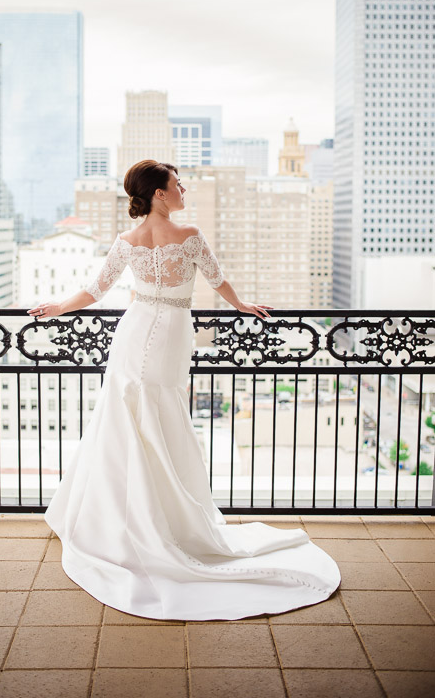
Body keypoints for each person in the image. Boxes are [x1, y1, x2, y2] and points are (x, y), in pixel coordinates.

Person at [27, 159, 341, 621]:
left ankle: (119, 521)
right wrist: (243, 305)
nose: (183, 190)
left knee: (125, 420)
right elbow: (218, 281)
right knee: (160, 418)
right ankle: (160, 521)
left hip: (135, 335)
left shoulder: (126, 241)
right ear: (158, 194)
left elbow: (95, 290)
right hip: (172, 331)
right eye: (177, 185)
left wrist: (58, 308)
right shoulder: (189, 235)